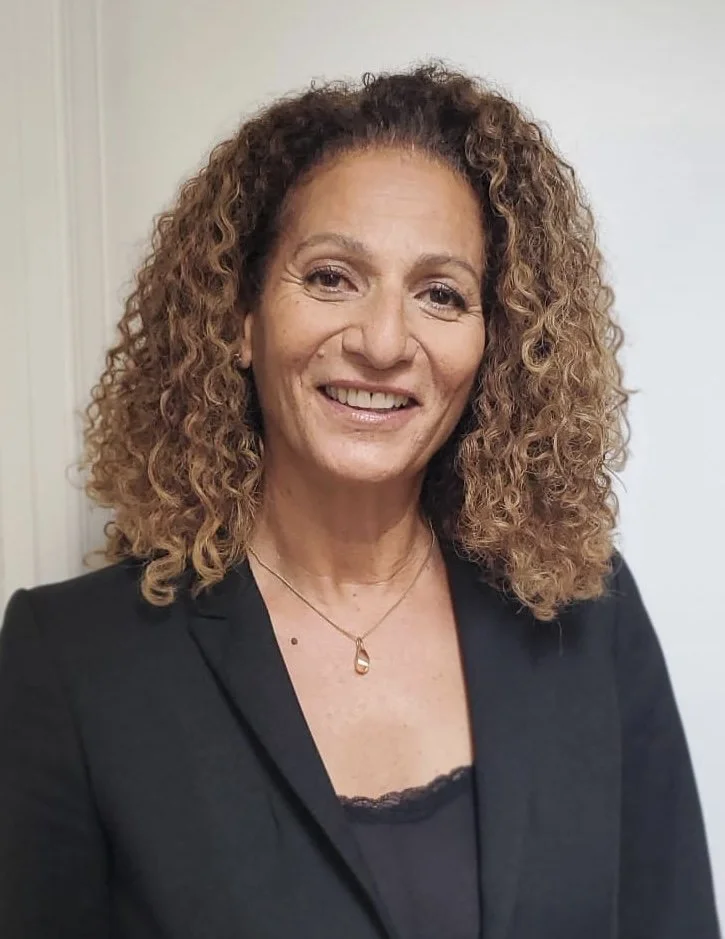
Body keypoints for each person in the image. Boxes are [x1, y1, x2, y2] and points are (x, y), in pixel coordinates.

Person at [0, 61, 719, 939]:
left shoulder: (585, 613)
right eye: (331, 277)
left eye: (440, 294)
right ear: (240, 316)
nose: (382, 342)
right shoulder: (73, 661)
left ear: (492, 345)